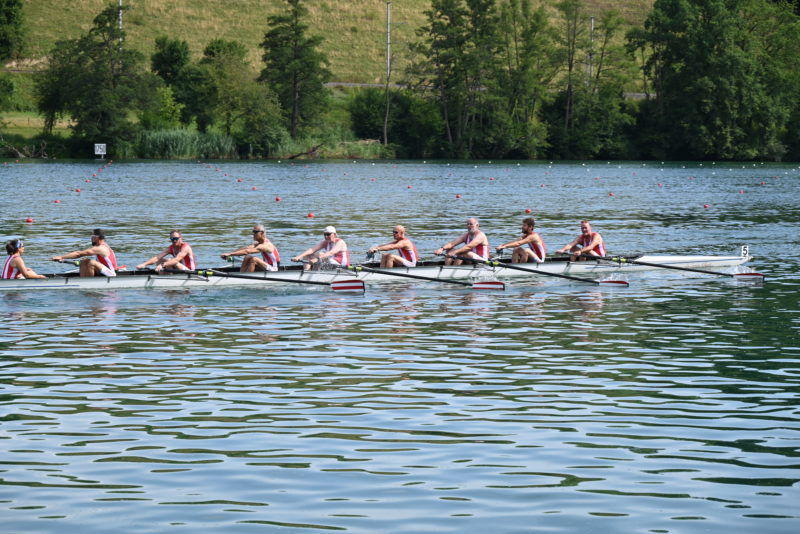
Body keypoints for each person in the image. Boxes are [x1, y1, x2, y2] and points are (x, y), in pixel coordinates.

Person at [52, 228, 118, 277]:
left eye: (92, 237)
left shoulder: (101, 248)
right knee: (84, 261)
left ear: (97, 237)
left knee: (91, 262)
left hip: (111, 274)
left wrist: (61, 257)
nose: (91, 239)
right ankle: (83, 280)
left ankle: (87, 282)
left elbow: (78, 254)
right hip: (103, 272)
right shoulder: (100, 247)